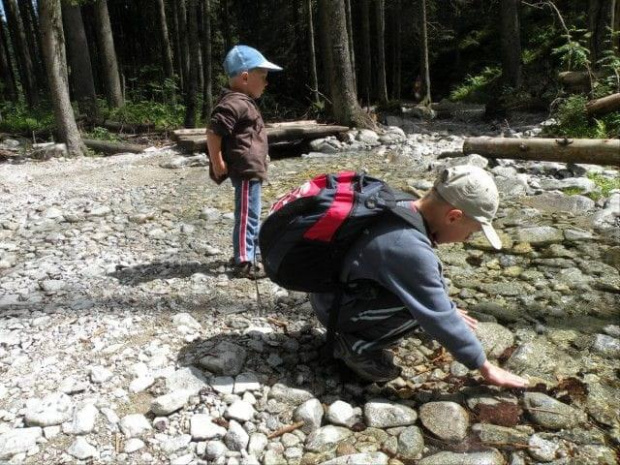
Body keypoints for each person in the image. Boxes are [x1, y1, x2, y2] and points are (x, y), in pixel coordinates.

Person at [310, 165, 529, 388]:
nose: (466, 239)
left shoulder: (401, 204)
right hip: (336, 310)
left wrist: (446, 308)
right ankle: (354, 345)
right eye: (471, 232)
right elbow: (437, 315)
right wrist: (486, 367)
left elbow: (427, 282)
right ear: (453, 217)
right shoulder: (405, 245)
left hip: (328, 292)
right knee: (420, 310)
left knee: (426, 301)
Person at [206, 45, 282, 278]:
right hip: (246, 169)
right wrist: (217, 160)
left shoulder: (242, 101)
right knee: (247, 214)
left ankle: (249, 251)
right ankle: (243, 261)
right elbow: (213, 131)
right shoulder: (234, 103)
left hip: (251, 169)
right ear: (245, 77)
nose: (266, 83)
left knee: (252, 213)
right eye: (263, 77)